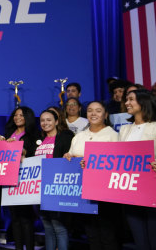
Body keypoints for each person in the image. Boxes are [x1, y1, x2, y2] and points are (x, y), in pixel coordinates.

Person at [64, 101, 119, 250]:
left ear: (105, 114)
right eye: (90, 110)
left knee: (107, 233)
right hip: (82, 191)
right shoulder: (79, 136)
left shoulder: (113, 136)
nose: (93, 114)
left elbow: (119, 163)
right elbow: (71, 154)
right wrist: (68, 156)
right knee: (91, 233)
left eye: (98, 110)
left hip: (105, 192)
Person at [0, 106, 38, 250]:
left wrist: (24, 151)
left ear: (28, 117)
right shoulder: (8, 134)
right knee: (15, 218)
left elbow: (35, 155)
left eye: (21, 115)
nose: (17, 117)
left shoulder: (33, 135)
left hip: (25, 180)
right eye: (15, 115)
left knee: (26, 218)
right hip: (9, 180)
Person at [119, 89, 156, 250]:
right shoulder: (124, 130)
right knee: (140, 242)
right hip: (130, 191)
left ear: (143, 102)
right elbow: (116, 157)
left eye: (131, 99)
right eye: (126, 99)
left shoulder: (155, 127)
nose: (127, 103)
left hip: (152, 190)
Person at [35, 109, 74, 250]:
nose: (45, 123)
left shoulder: (65, 137)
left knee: (59, 227)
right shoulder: (39, 140)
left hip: (56, 187)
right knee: (47, 226)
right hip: (39, 188)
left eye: (49, 120)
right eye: (42, 120)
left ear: (57, 121)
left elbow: (71, 157)